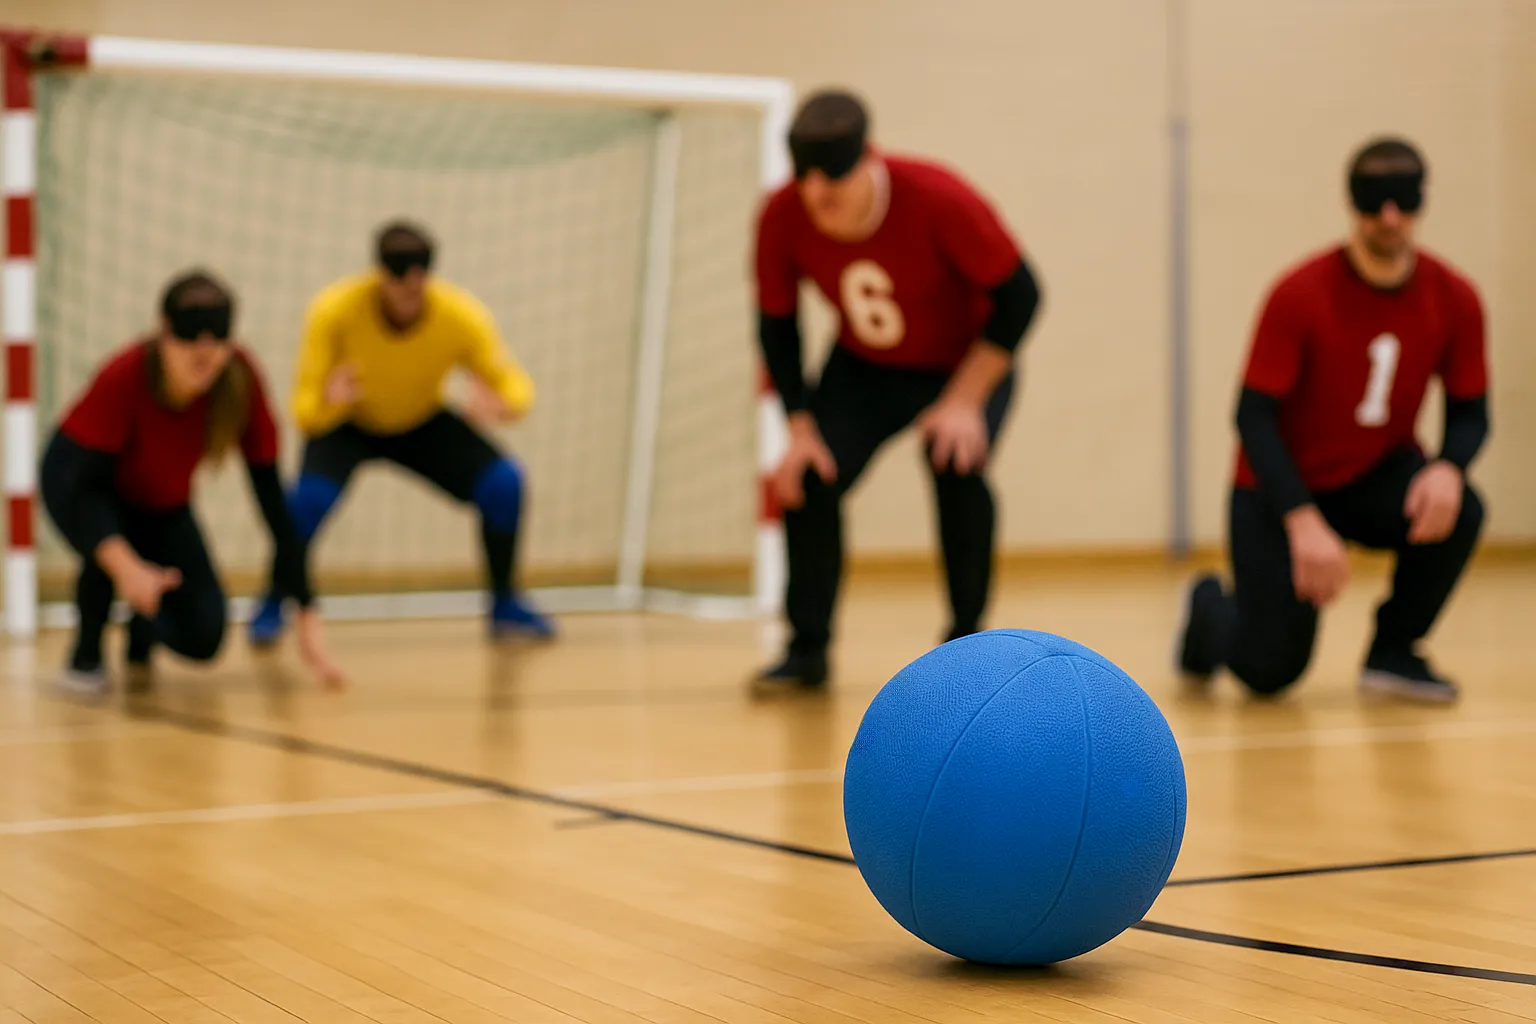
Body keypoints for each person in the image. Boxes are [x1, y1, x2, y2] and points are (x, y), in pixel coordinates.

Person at [1178, 137, 1489, 703]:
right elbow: (1253, 417)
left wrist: (1448, 467)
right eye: (1373, 201)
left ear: (1420, 204)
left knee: (1460, 506)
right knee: (1268, 672)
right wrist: (1302, 520)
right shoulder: (1301, 293)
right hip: (1278, 489)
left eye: (1402, 200)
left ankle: (1394, 651)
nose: (1388, 216)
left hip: (1372, 474)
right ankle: (1209, 608)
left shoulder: (1455, 297)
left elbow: (1472, 412)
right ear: (1353, 206)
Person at [751, 89, 1043, 692]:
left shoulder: (937, 197)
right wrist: (801, 430)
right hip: (865, 366)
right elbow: (777, 327)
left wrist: (965, 400)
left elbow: (1021, 295)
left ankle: (966, 647)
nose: (815, 197)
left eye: (831, 182)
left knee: (955, 462)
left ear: (866, 161)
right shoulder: (782, 215)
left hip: (965, 362)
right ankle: (807, 650)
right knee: (807, 480)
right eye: (804, 180)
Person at [247, 221, 553, 645]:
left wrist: (504, 405)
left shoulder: (460, 316)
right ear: (379, 274)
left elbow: (516, 384)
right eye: (397, 277)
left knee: (504, 483)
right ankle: (272, 600)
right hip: (348, 423)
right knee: (305, 502)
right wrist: (330, 401)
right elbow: (304, 411)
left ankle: (505, 602)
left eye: (418, 277)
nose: (408, 289)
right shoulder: (334, 310)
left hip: (420, 421)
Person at [41, 270, 343, 694]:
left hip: (163, 500)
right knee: (106, 554)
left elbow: (272, 500)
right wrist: (125, 565)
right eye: (188, 336)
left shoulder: (240, 382)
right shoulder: (125, 376)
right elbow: (82, 489)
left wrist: (307, 607)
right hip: (78, 483)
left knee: (205, 636)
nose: (205, 352)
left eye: (218, 336)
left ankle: (142, 627)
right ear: (163, 333)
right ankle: (87, 651)